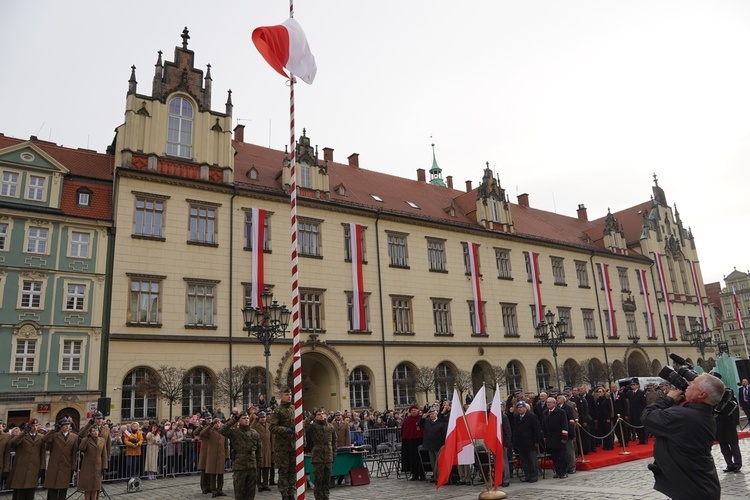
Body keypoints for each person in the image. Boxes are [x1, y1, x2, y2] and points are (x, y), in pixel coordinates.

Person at [642, 373, 725, 500]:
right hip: (700, 487)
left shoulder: (684, 416)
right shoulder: (703, 414)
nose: (689, 383)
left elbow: (647, 417)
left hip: (693, 491)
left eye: (694, 383)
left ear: (702, 394)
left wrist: (668, 399)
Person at [41, 417, 78, 500]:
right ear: (60, 426)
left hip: (66, 465)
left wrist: (73, 466)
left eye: (68, 424)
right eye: (64, 425)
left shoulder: (74, 437)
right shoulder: (54, 435)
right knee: (52, 489)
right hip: (54, 465)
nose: (67, 426)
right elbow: (43, 439)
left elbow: (74, 453)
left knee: (63, 489)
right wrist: (53, 431)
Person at [712, 372, 742, 473]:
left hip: (729, 422)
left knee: (733, 444)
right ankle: (729, 464)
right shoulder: (710, 393)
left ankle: (737, 464)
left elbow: (734, 407)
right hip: (718, 422)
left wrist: (735, 422)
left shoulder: (727, 391)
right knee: (723, 445)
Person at [269, 387, 296, 500]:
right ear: (281, 396)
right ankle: (284, 493)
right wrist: (284, 430)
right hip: (282, 446)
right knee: (283, 471)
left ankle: (291, 492)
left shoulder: (295, 409)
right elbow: (272, 427)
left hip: (293, 445)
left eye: (290, 394)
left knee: (293, 471)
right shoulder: (277, 410)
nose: (289, 396)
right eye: (286, 394)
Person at [9, 418, 46, 500]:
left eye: (36, 425)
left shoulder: (41, 437)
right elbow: (12, 443)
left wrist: (42, 467)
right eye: (32, 426)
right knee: (19, 492)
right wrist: (23, 433)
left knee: (30, 492)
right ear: (28, 426)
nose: (35, 428)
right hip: (21, 467)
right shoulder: (23, 436)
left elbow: (42, 453)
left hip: (34, 467)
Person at [305, 409, 337, 500]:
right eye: (319, 414)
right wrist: (312, 416)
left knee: (327, 479)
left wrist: (334, 453)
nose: (321, 416)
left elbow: (334, 441)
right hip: (318, 456)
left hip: (328, 456)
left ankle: (326, 497)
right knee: (318, 479)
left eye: (322, 414)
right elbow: (304, 425)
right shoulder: (313, 426)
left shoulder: (330, 426)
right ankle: (318, 497)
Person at [511, 401, 540, 483]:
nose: (519, 409)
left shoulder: (532, 417)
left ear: (525, 408)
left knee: (532, 460)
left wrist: (536, 441)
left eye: (521, 407)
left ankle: (534, 475)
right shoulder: (516, 417)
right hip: (520, 443)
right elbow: (515, 430)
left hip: (530, 442)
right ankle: (528, 475)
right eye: (518, 408)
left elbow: (536, 430)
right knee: (524, 460)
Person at [77, 425, 108, 500]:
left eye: (97, 430)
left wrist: (104, 466)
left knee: (95, 486)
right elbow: (81, 448)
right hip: (87, 466)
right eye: (93, 431)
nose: (95, 432)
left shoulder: (102, 440)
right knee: (87, 487)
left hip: (98, 466)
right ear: (90, 432)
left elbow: (104, 454)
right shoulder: (86, 439)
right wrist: (87, 438)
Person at [542, 397, 569, 479]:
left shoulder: (561, 412)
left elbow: (565, 425)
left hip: (559, 438)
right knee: (554, 456)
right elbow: (543, 426)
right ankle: (558, 471)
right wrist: (544, 436)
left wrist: (564, 438)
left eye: (550, 402)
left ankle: (564, 471)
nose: (548, 404)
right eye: (547, 402)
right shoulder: (545, 412)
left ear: (554, 403)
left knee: (562, 456)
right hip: (550, 439)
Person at [203, 417, 230, 498]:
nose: (218, 424)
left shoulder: (223, 432)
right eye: (216, 423)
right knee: (213, 474)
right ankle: (214, 490)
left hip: (221, 455)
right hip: (212, 455)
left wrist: (227, 455)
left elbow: (226, 445)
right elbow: (202, 434)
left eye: (219, 423)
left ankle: (220, 489)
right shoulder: (210, 431)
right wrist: (210, 426)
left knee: (221, 474)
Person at [400, 404, 425, 481]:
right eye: (412, 410)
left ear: (418, 411)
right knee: (412, 459)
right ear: (410, 412)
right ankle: (414, 475)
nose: (414, 412)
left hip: (420, 441)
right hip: (410, 442)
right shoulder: (407, 420)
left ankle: (422, 474)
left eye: (415, 410)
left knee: (421, 458)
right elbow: (404, 431)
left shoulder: (421, 419)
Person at [252, 411, 273, 492]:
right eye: (261, 417)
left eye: (264, 417)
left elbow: (271, 438)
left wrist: (272, 449)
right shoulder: (256, 426)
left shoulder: (269, 426)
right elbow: (250, 428)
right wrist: (255, 420)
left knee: (266, 468)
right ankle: (259, 485)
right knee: (259, 468)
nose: (263, 419)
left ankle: (265, 484)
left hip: (267, 449)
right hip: (259, 449)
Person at [626, 379, 648, 444]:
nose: (632, 386)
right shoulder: (630, 393)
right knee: (636, 426)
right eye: (631, 385)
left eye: (634, 385)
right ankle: (640, 439)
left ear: (638, 385)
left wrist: (645, 412)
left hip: (640, 411)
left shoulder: (641, 393)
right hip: (633, 412)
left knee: (642, 426)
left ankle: (644, 439)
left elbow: (644, 403)